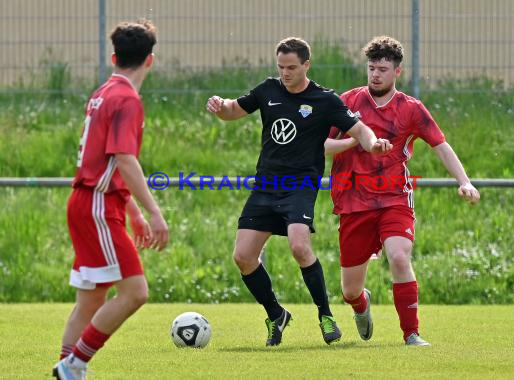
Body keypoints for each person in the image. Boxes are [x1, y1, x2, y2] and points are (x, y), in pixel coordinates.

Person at [206, 37, 392, 346]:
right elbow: (233, 111)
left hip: (300, 184)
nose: (285, 73)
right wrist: (219, 106)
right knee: (243, 256)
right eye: (281, 67)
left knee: (299, 246)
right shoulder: (268, 90)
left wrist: (372, 144)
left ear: (306, 65)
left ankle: (325, 314)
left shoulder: (324, 100)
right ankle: (276, 314)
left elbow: (359, 129)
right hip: (266, 184)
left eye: (292, 67)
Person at [325, 36, 480, 346]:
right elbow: (323, 146)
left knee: (399, 256)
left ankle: (411, 334)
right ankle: (361, 304)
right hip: (353, 200)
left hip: (394, 197)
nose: (375, 75)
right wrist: (359, 140)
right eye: (371, 68)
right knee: (349, 290)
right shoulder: (347, 103)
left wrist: (464, 181)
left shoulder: (411, 108)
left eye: (382, 69)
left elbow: (441, 145)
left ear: (397, 71)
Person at [53, 19, 168, 380]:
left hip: (89, 202)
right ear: (150, 60)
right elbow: (123, 158)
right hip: (99, 205)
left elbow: (106, 160)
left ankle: (67, 368)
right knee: (135, 292)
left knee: (90, 300)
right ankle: (73, 364)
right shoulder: (127, 99)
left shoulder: (103, 92)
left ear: (114, 56)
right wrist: (153, 211)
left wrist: (132, 211)